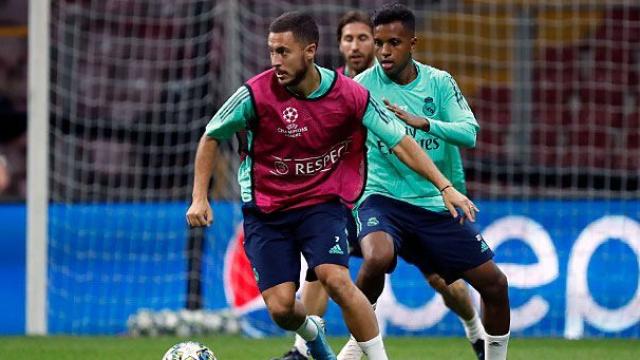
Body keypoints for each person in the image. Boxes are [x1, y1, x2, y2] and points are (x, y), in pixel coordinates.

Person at [186, 11, 478, 360]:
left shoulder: (352, 95)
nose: (276, 61)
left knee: (337, 277)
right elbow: (211, 135)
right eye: (272, 52)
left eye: (284, 52)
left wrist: (445, 187)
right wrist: (199, 198)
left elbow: (402, 141)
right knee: (282, 308)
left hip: (332, 203)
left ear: (310, 51)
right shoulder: (255, 94)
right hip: (268, 210)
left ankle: (405, 348)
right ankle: (310, 339)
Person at [276, 10, 488, 360]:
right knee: (323, 266)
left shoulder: (425, 84)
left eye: (365, 39)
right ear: (340, 46)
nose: (361, 46)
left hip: (421, 197)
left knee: (442, 281)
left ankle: (475, 331)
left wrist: (445, 181)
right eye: (352, 39)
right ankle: (305, 349)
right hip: (362, 198)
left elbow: (456, 135)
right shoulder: (340, 92)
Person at [337, 4, 511, 360]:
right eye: (380, 43)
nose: (384, 52)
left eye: (394, 43)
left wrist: (426, 123)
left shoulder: (439, 83)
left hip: (433, 203)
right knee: (378, 256)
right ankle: (358, 346)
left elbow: (469, 133)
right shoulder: (361, 87)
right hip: (381, 197)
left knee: (495, 285)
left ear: (413, 43)